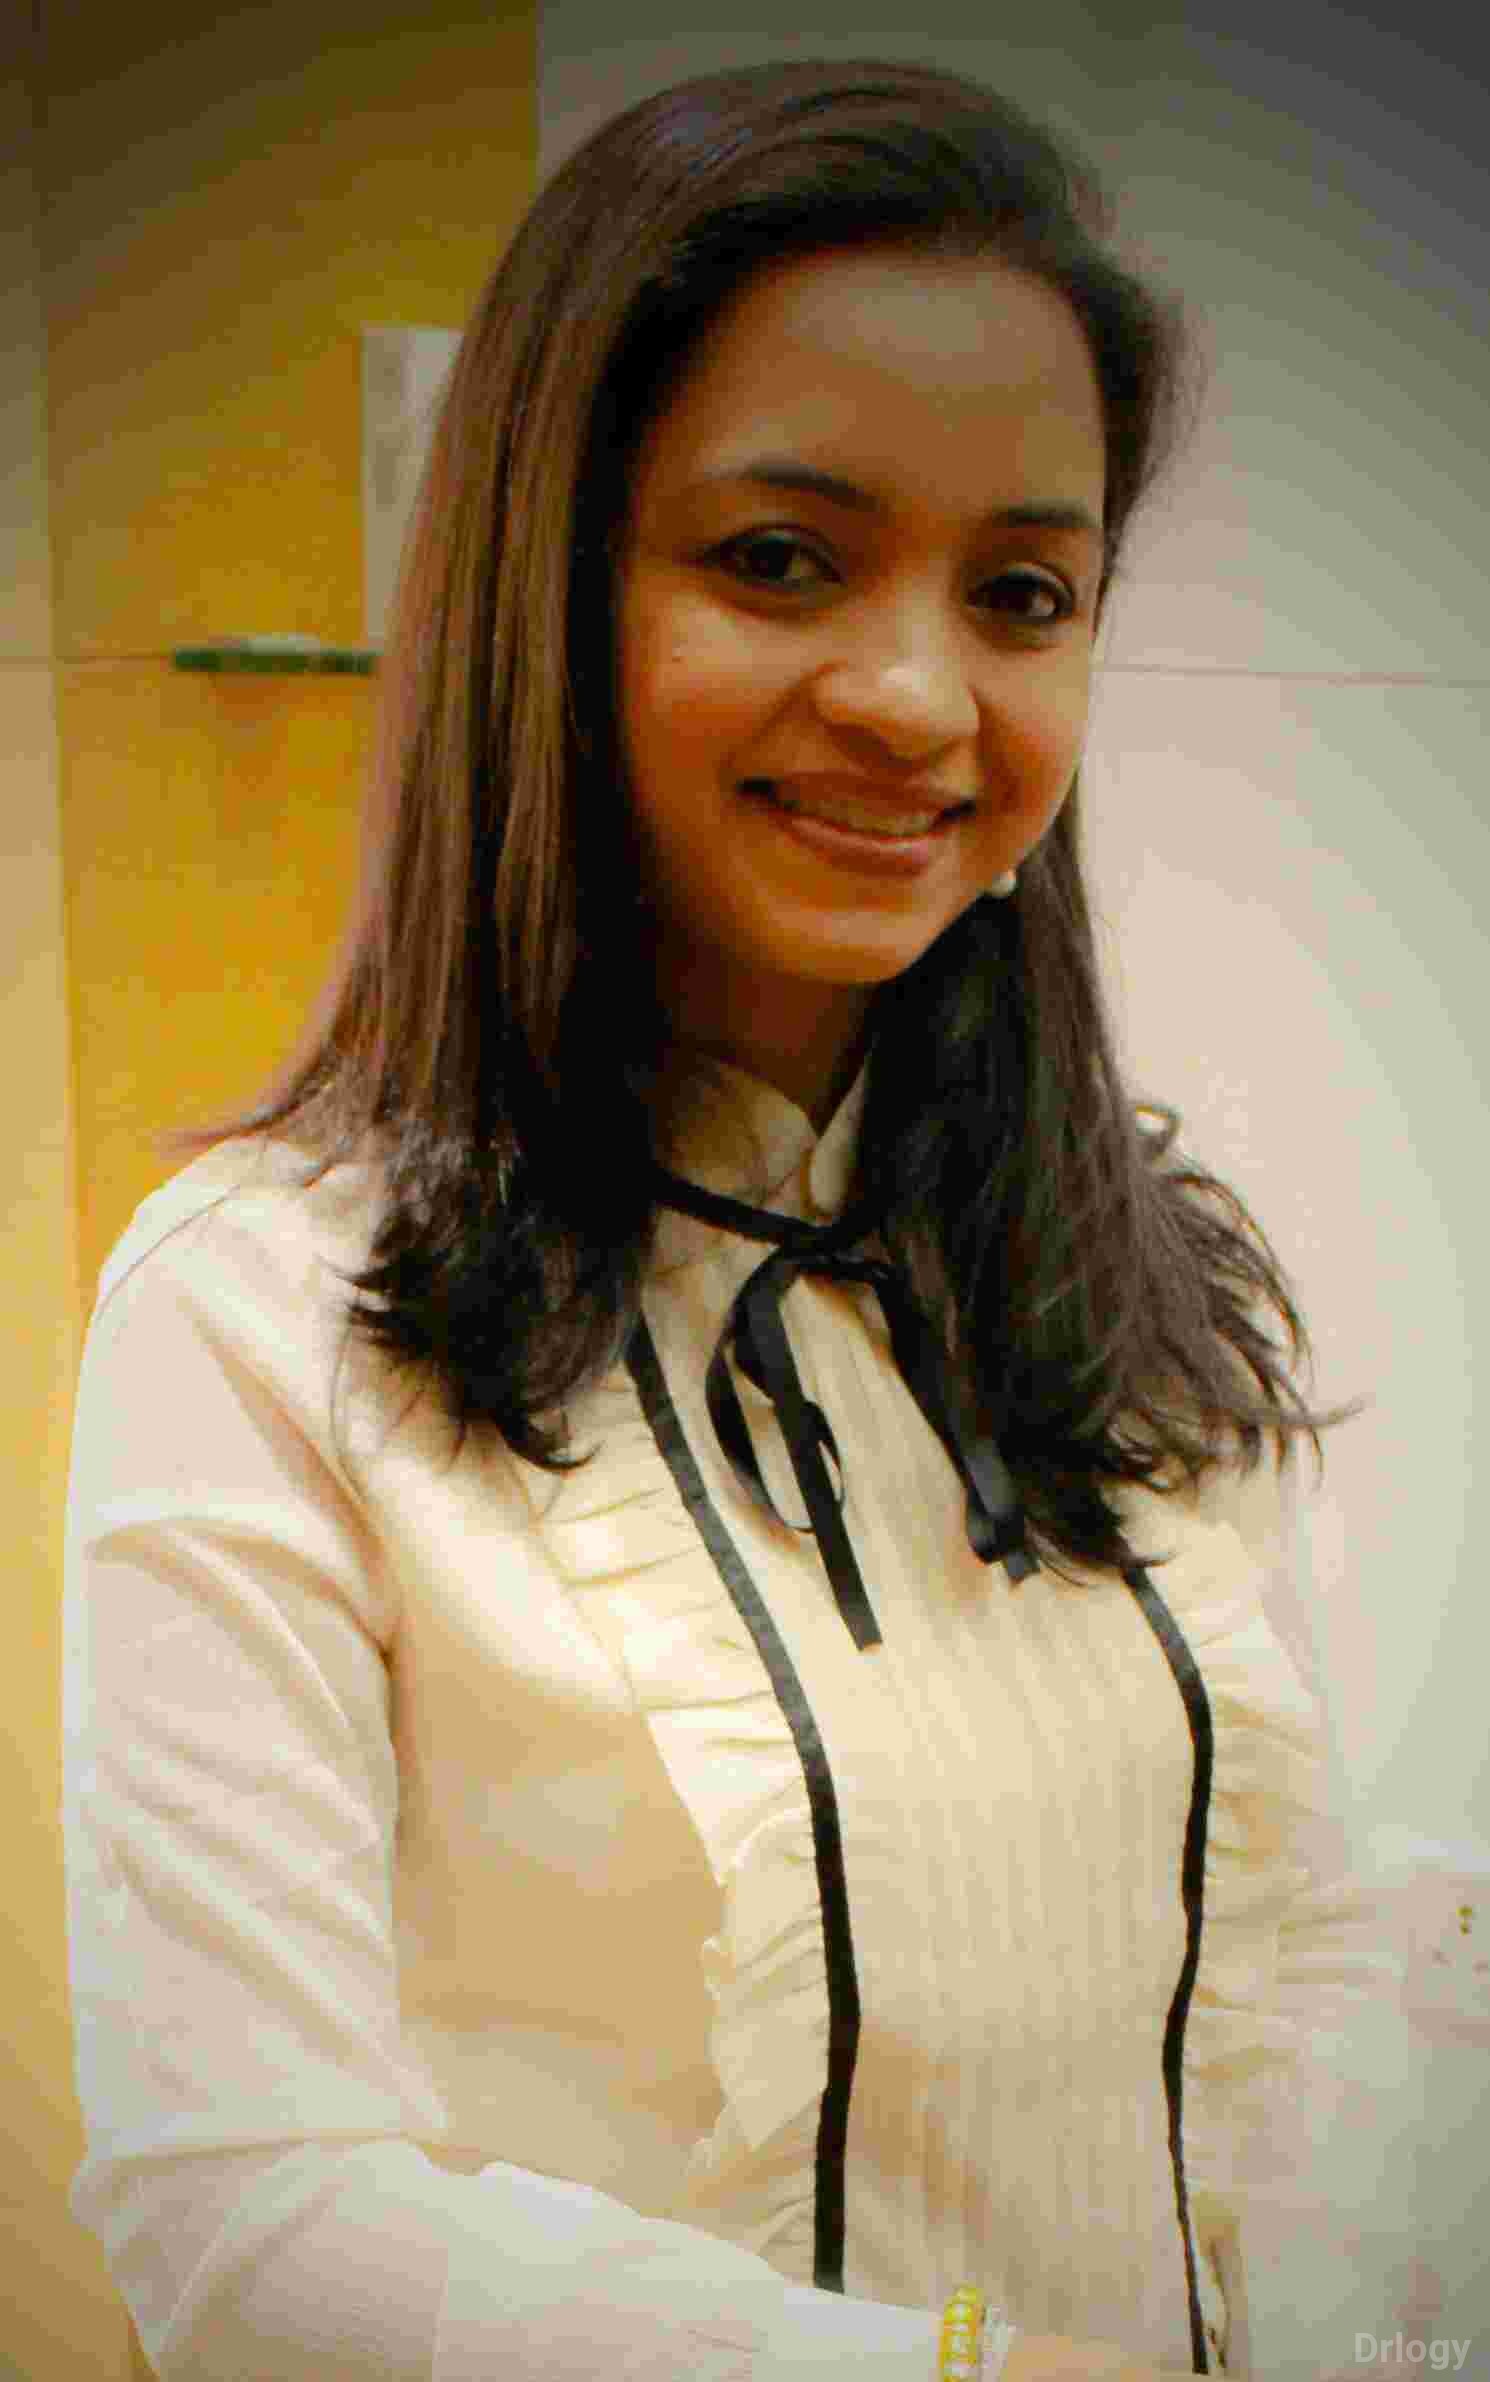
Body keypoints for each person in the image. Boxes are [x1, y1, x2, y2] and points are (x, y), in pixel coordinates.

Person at [61, 56, 1384, 2382]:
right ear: (547, 590)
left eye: (1021, 593)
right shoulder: (263, 1309)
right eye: (780, 558)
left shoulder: (1140, 1283)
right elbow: (245, 2220)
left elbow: (1288, 1991)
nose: (915, 697)